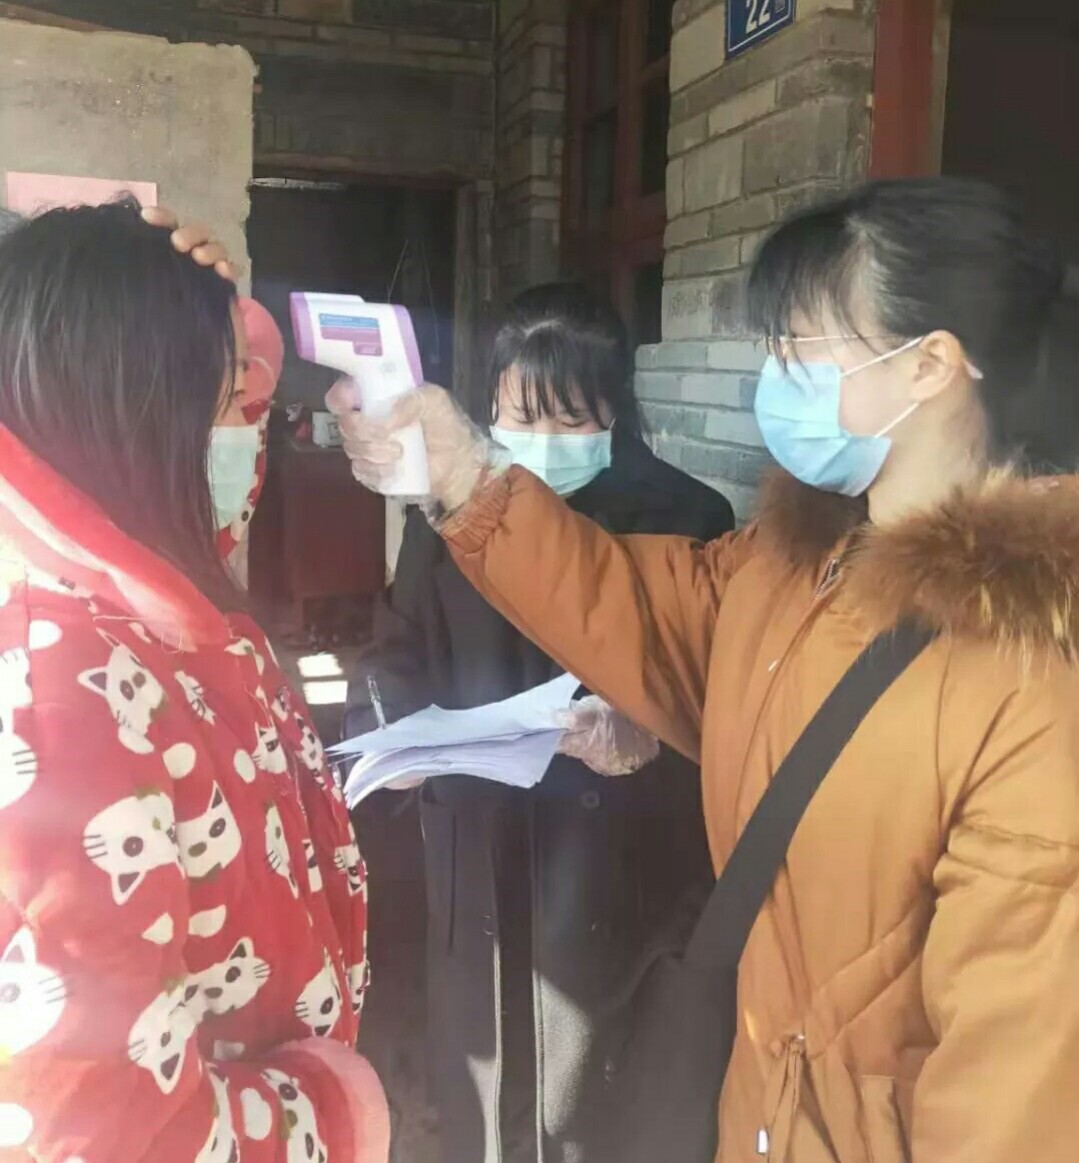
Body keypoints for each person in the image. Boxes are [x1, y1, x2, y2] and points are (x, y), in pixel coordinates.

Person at [336, 178, 1079, 1162]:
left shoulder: (1032, 682)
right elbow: (637, 605)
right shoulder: (789, 561)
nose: (772, 376)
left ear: (928, 364)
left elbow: (1013, 1096)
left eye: (797, 348)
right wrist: (462, 475)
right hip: (756, 1114)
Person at [0, 201, 389, 1162]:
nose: (247, 436)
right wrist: (333, 1112)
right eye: (223, 402)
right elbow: (107, 1132)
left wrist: (218, 317)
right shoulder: (60, 695)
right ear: (135, 425)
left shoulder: (142, 590)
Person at [342, 282, 733, 1163]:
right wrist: (392, 733)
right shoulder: (451, 508)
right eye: (518, 417)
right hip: (479, 830)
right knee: (486, 1089)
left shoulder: (687, 518)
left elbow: (718, 699)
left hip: (613, 855)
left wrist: (647, 736)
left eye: (567, 418)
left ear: (614, 410)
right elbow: (393, 647)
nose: (541, 441)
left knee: (602, 1103)